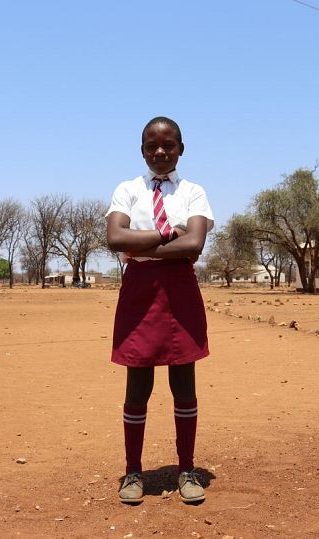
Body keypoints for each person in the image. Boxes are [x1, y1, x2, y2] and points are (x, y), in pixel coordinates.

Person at [105, 116, 214, 504]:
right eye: (152, 145)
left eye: (168, 145)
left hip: (180, 290)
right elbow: (116, 237)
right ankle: (133, 472)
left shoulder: (194, 192)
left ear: (181, 149)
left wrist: (141, 246)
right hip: (140, 290)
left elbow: (195, 245)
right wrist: (169, 233)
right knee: (138, 386)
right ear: (142, 150)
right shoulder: (128, 190)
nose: (160, 152)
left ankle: (187, 469)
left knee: (183, 384)